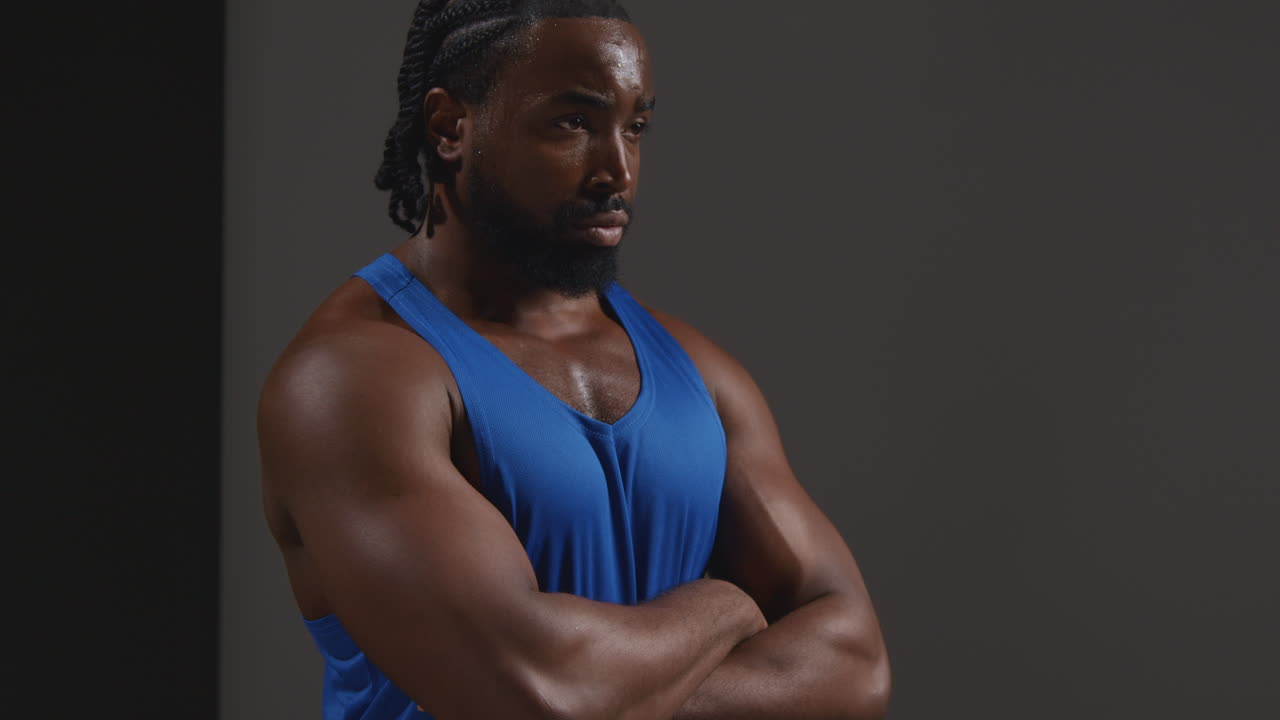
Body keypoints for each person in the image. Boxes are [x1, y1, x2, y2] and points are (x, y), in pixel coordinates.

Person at [257, 1, 890, 718]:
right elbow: (538, 694)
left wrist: (620, 700)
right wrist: (726, 606)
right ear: (450, 126)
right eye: (573, 122)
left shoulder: (697, 370)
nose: (616, 168)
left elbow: (855, 665)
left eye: (636, 126)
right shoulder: (353, 381)